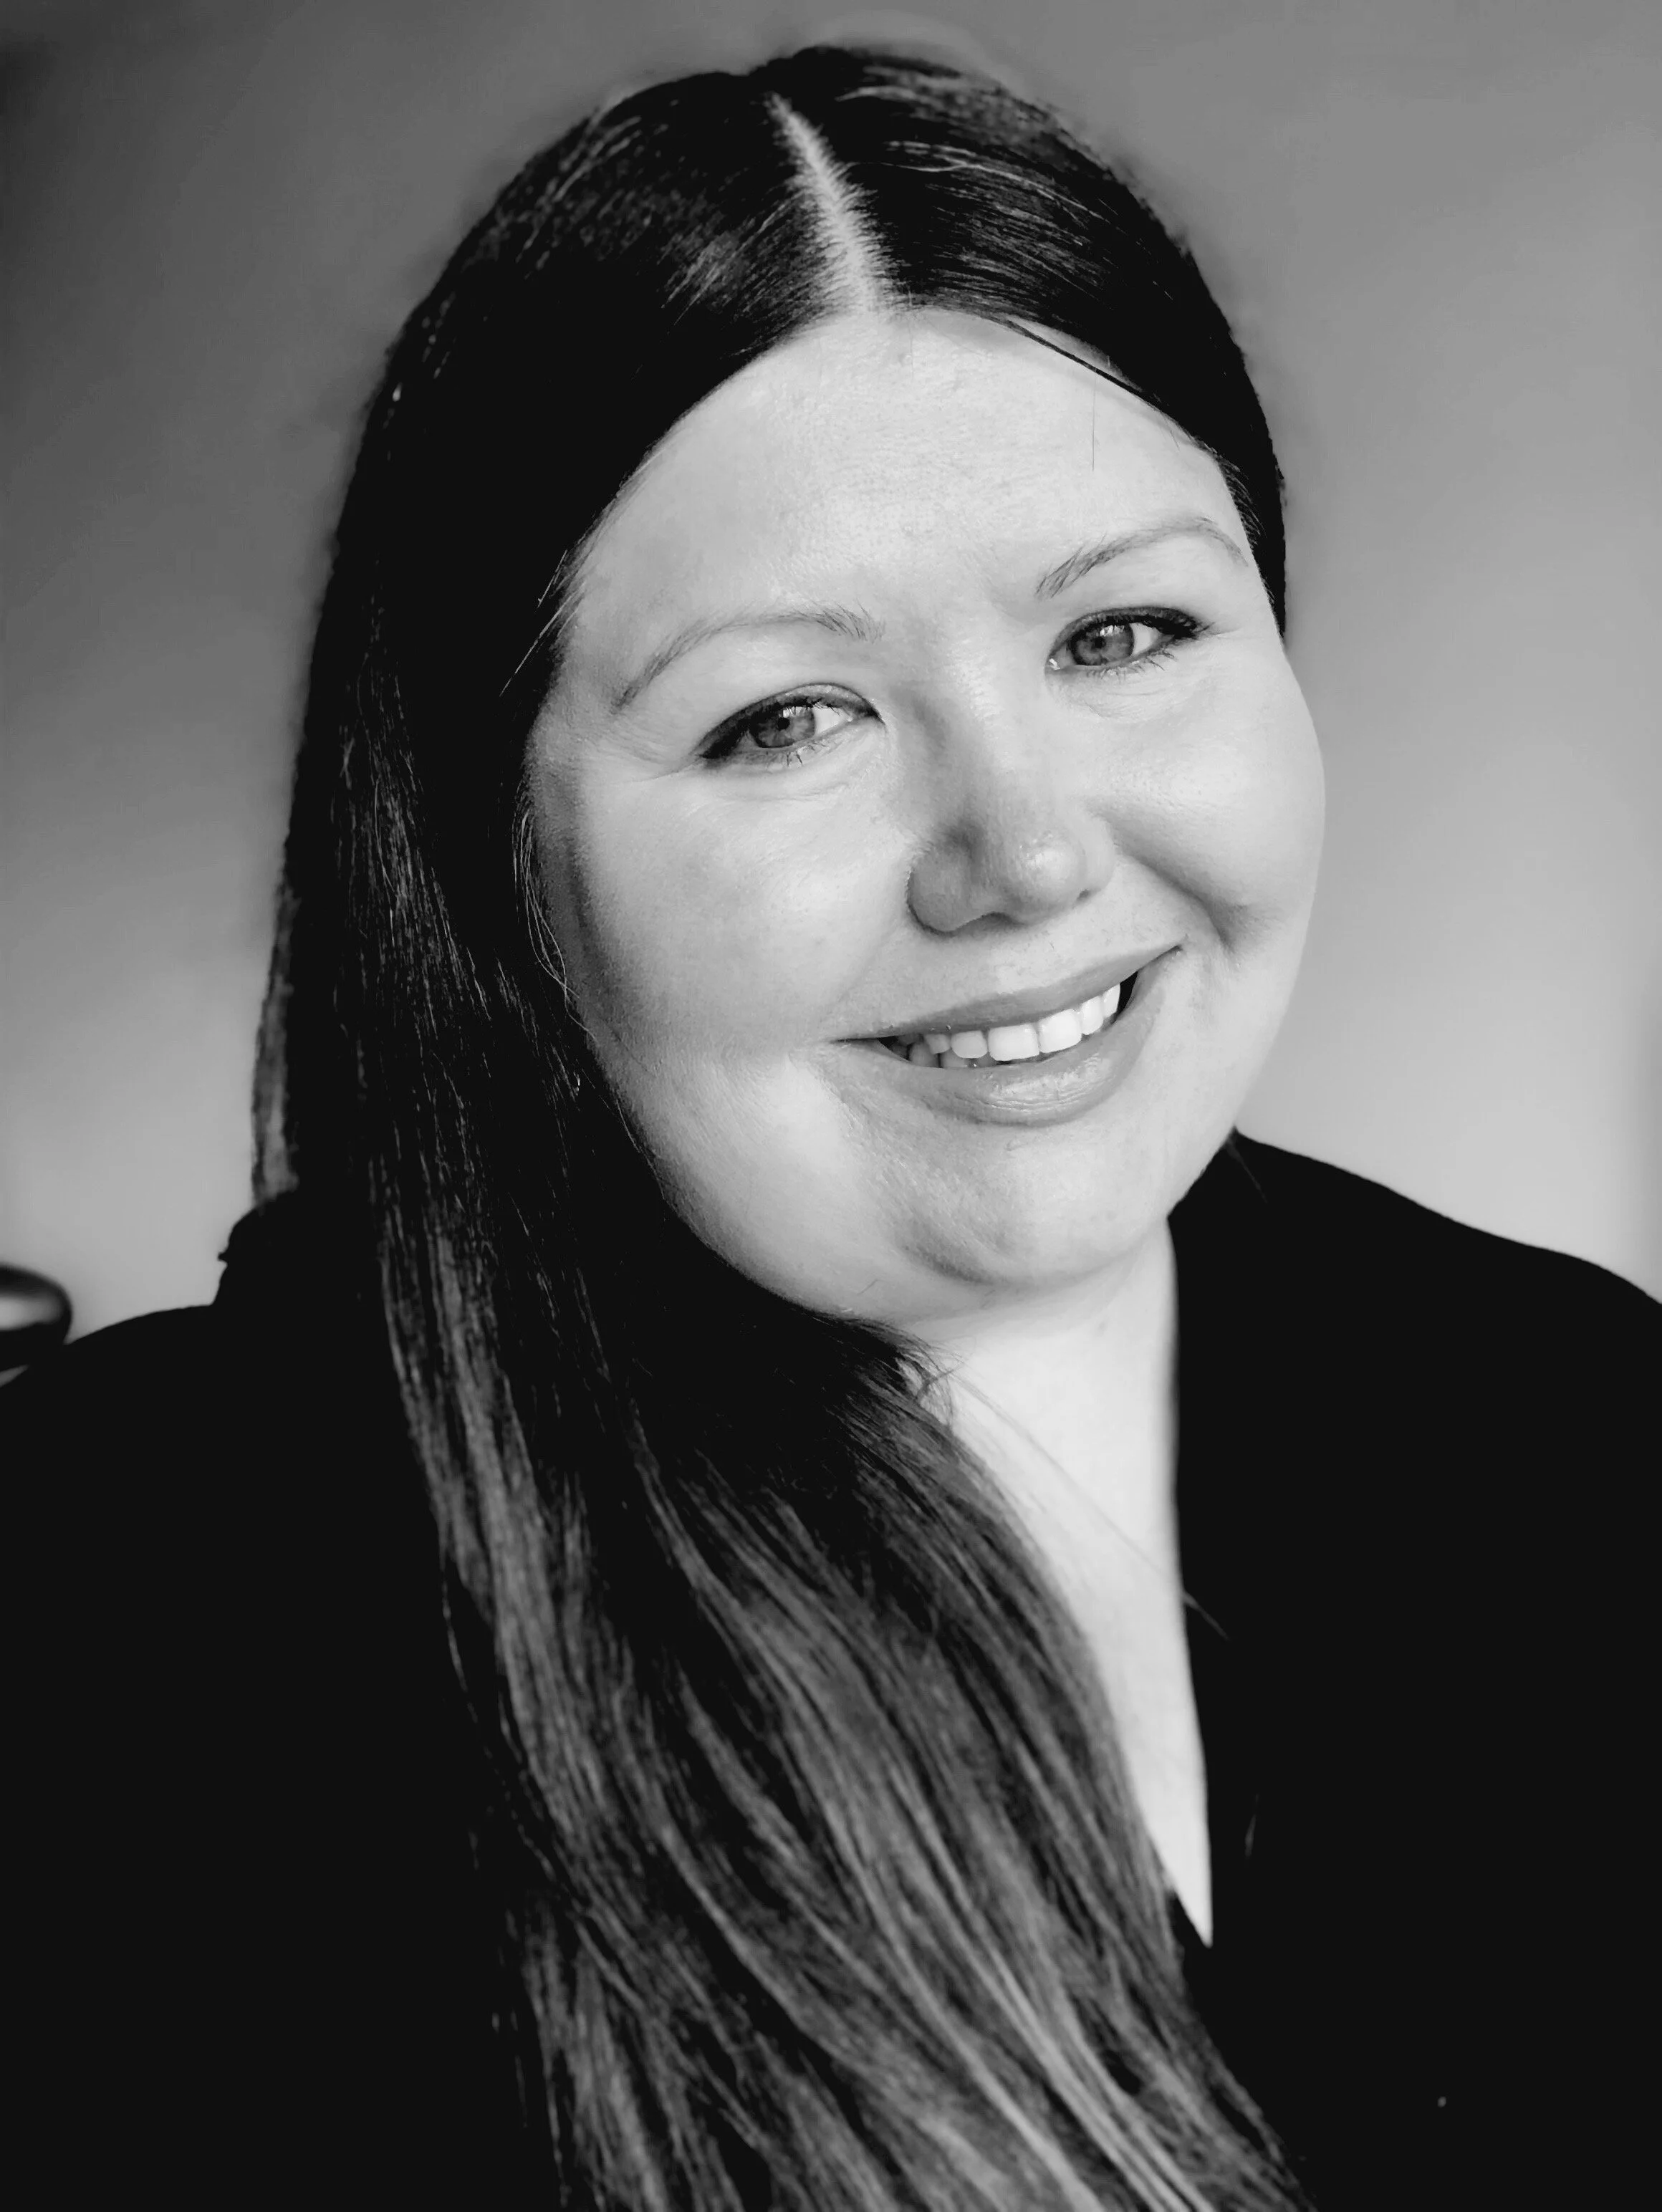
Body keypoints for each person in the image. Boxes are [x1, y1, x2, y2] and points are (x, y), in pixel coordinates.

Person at [6, 39, 1654, 2211]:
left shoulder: (1585, 1416)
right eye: (788, 715)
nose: (1026, 856)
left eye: (1129, 627)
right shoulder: (119, 1628)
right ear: (497, 859)